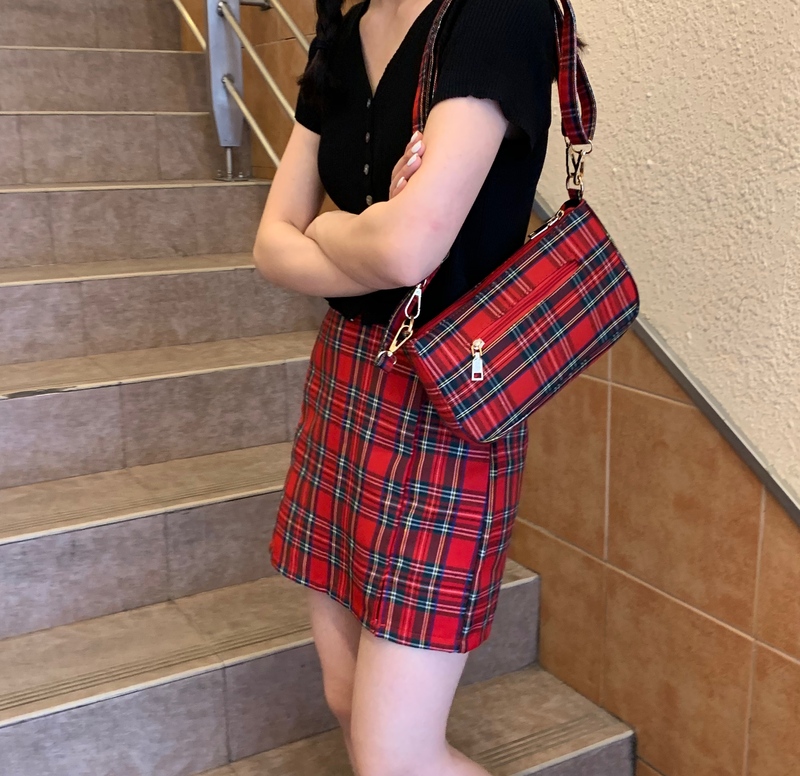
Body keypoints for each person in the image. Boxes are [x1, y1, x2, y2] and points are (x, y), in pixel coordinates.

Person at [253, 0, 560, 773]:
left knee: (394, 754)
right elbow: (269, 245)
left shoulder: (497, 15)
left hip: (447, 397)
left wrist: (328, 230)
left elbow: (405, 251)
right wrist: (371, 233)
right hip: (344, 381)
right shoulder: (343, 29)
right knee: (346, 699)